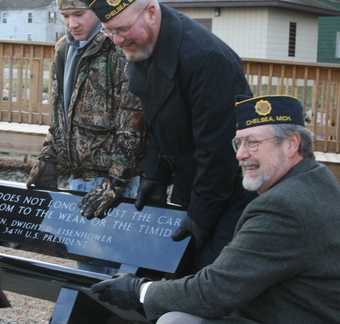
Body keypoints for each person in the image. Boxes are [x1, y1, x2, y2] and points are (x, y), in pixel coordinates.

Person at [90, 95, 340, 323]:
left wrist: (140, 290)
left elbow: (213, 293)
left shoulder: (283, 206)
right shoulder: (318, 181)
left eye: (253, 143)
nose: (241, 155)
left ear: (291, 144)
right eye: (238, 143)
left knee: (175, 321)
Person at [84, 0, 256, 271]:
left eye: (122, 29)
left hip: (229, 192)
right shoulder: (142, 48)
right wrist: (154, 175)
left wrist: (201, 217)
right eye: (110, 32)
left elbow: (218, 153)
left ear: (151, 12)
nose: (118, 41)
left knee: (206, 280)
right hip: (193, 182)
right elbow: (159, 123)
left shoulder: (207, 61)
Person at [26, 0, 146, 220]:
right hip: (78, 178)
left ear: (97, 10)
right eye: (65, 15)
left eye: (80, 14)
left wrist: (115, 181)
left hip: (118, 184)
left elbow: (133, 123)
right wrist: (48, 155)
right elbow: (61, 117)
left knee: (120, 256)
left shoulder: (118, 49)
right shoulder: (63, 50)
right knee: (85, 257)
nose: (72, 23)